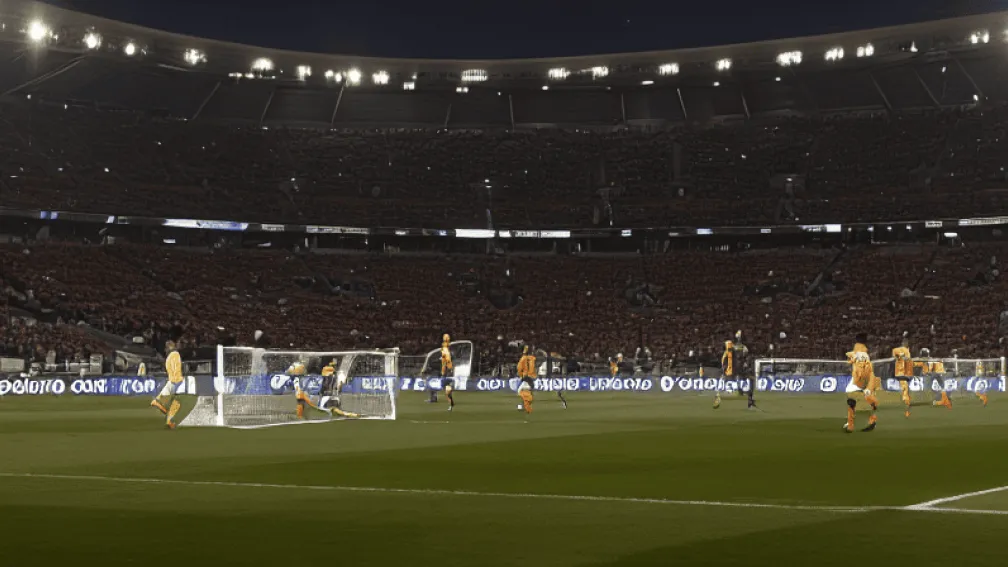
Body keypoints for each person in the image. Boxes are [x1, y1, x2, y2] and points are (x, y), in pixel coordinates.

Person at [150, 326, 184, 429]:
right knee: (177, 401)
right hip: (176, 381)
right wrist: (177, 381)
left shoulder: (169, 357)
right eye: (178, 343)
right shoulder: (175, 355)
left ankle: (159, 403)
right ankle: (168, 418)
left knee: (174, 400)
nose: (179, 345)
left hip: (172, 380)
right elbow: (176, 369)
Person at [845, 334, 880, 433]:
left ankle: (850, 425)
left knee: (851, 399)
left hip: (860, 379)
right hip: (867, 378)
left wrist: (850, 358)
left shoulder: (858, 349)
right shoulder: (864, 351)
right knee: (862, 397)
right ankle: (871, 417)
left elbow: (852, 358)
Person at [892, 338, 914, 418]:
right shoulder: (901, 350)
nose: (907, 344)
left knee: (905, 386)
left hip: (904, 373)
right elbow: (896, 357)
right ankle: (906, 401)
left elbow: (897, 357)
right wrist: (900, 356)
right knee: (905, 386)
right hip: (901, 372)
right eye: (906, 342)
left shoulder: (904, 350)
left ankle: (906, 399)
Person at [516, 345, 535, 414]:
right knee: (529, 392)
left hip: (526, 377)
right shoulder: (532, 358)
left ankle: (523, 406)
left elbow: (519, 367)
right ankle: (524, 405)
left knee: (522, 392)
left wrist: (520, 375)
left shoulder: (524, 359)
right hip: (530, 377)